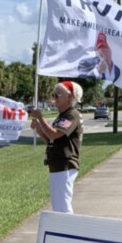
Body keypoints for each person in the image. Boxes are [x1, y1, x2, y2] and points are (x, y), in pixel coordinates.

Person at [29, 81, 84, 214]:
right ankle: (64, 232)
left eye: (59, 94)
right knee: (58, 206)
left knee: (63, 208)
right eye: (54, 93)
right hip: (57, 165)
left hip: (65, 164)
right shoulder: (62, 116)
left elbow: (55, 133)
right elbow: (51, 140)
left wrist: (41, 118)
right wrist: (39, 128)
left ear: (70, 97)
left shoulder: (72, 114)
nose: (55, 96)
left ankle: (69, 233)